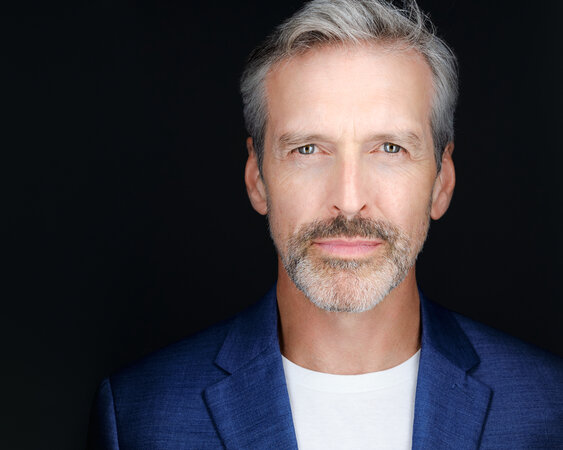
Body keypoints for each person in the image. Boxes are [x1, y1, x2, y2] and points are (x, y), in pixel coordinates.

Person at [88, 0, 563, 448]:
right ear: (257, 178)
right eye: (308, 149)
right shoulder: (140, 416)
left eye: (390, 148)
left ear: (442, 181)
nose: (349, 201)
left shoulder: (550, 408)